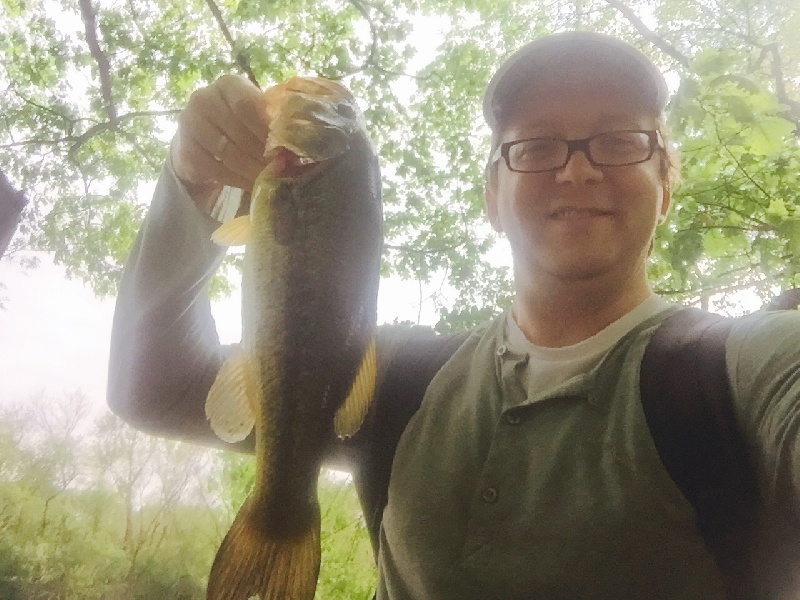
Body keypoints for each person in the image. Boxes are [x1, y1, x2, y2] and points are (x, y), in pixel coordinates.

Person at [107, 31, 800, 599]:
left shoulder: (743, 371)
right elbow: (154, 385)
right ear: (492, 197)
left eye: (621, 140)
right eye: (535, 146)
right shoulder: (397, 381)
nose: (578, 171)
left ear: (665, 187)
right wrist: (193, 185)